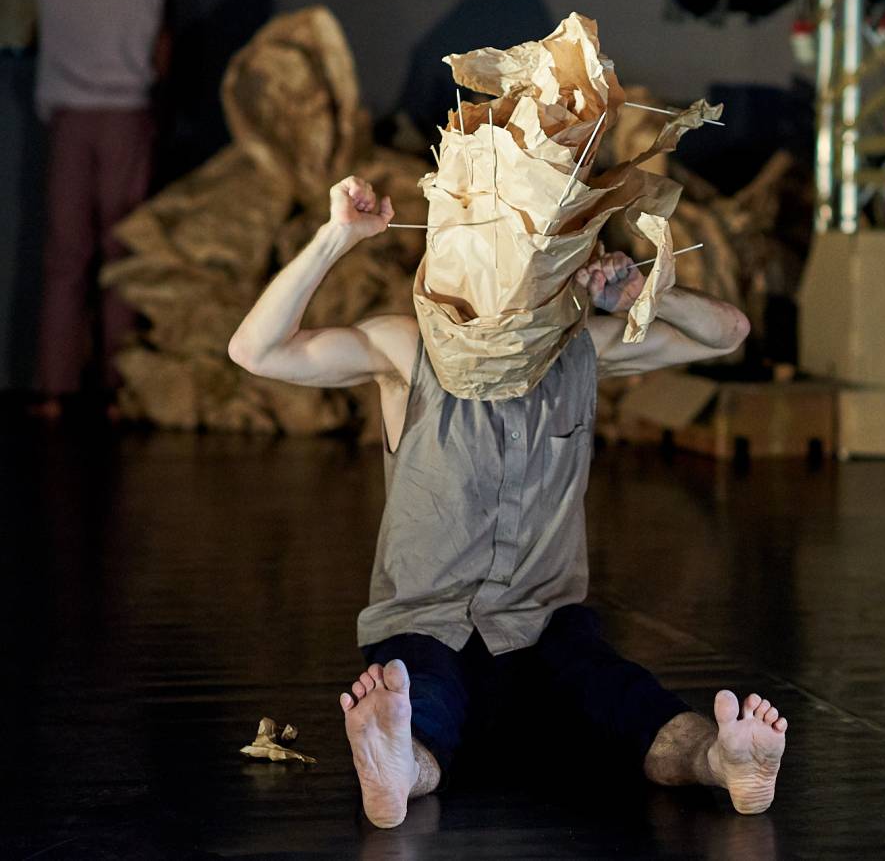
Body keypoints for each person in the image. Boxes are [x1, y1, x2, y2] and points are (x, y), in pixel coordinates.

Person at [228, 177, 787, 828]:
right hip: (428, 624)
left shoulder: (584, 349)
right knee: (422, 703)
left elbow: (728, 333)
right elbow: (255, 350)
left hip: (545, 629)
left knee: (634, 706)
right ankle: (395, 764)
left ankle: (723, 761)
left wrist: (642, 293)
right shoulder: (407, 351)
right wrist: (338, 237)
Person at [26, 0, 169, 420]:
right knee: (122, 255)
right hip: (127, 118)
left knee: (65, 258)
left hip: (72, 119)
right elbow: (161, 55)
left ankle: (54, 390)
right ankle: (118, 389)